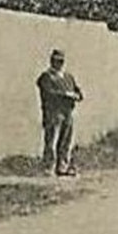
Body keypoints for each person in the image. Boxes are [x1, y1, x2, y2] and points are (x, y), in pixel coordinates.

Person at [36, 48, 83, 176]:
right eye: (56, 61)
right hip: (53, 113)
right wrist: (66, 95)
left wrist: (76, 96)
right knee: (51, 140)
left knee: (66, 141)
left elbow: (79, 93)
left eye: (61, 61)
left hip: (68, 112)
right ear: (51, 61)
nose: (59, 64)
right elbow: (50, 93)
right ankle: (48, 167)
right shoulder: (46, 77)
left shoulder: (68, 77)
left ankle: (62, 166)